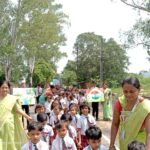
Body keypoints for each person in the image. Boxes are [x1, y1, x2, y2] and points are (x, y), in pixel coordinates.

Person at [109, 77, 150, 150]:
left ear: (139, 89)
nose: (128, 95)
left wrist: (147, 148)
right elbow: (115, 124)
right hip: (124, 142)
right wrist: (112, 144)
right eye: (125, 91)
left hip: (139, 145)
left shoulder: (146, 107)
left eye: (132, 91)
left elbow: (149, 132)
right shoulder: (120, 103)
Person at [0, 80, 32, 150]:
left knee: (10, 141)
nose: (4, 89)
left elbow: (18, 110)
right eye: (2, 87)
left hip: (9, 125)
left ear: (9, 88)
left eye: (6, 88)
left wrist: (27, 117)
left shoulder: (12, 99)